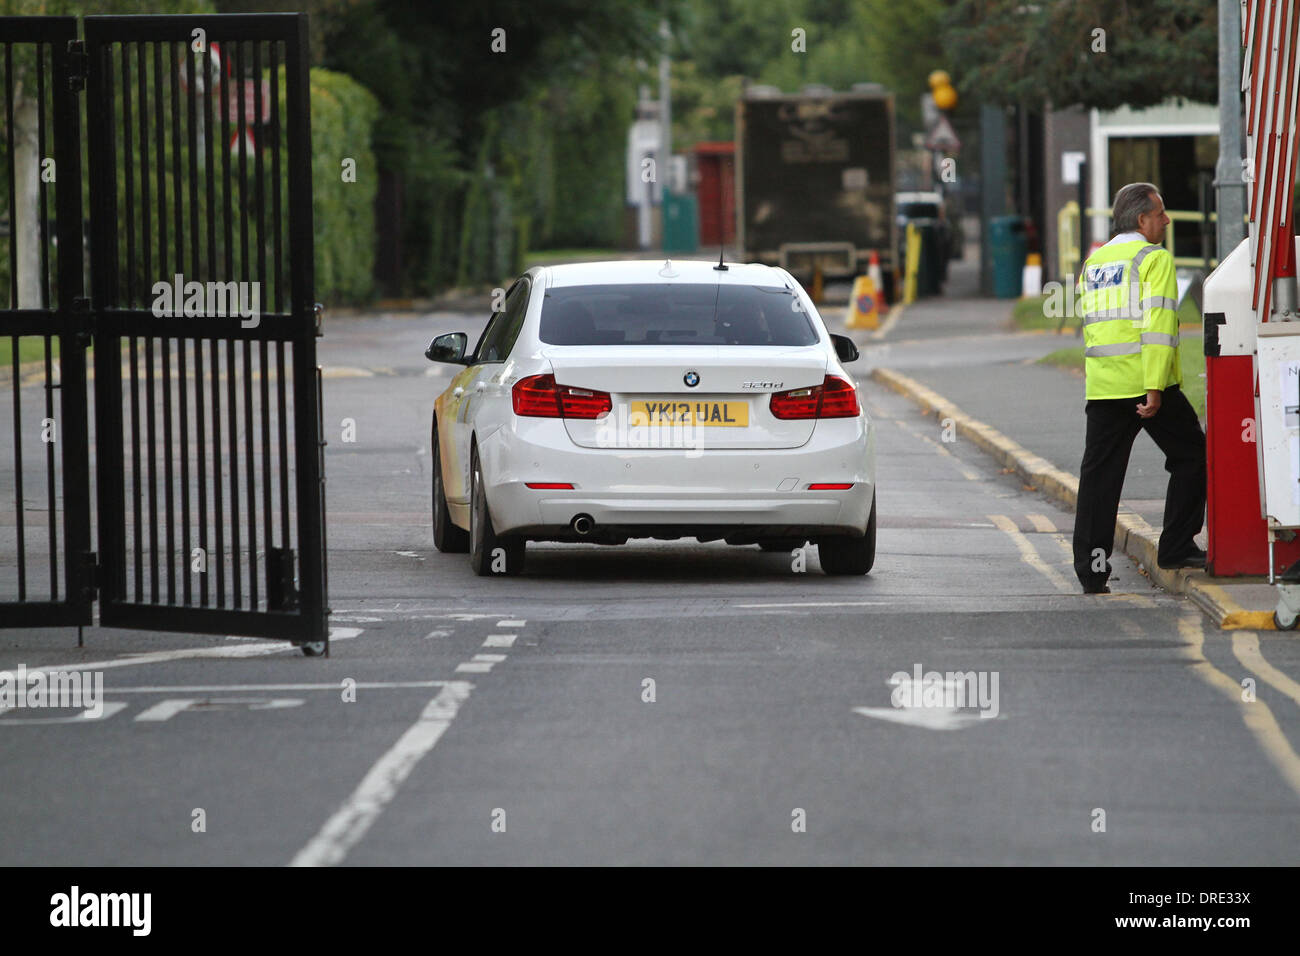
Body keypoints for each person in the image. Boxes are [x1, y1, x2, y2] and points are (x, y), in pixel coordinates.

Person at [1072, 182, 1207, 594]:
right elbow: (1158, 327)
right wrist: (1153, 387)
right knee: (1192, 456)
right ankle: (1176, 546)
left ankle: (1092, 573)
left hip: (1103, 385)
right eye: (1161, 213)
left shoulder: (1095, 261)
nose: (1166, 220)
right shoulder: (1154, 258)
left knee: (1100, 479)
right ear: (1143, 219)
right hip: (1145, 384)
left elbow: (1095, 321)